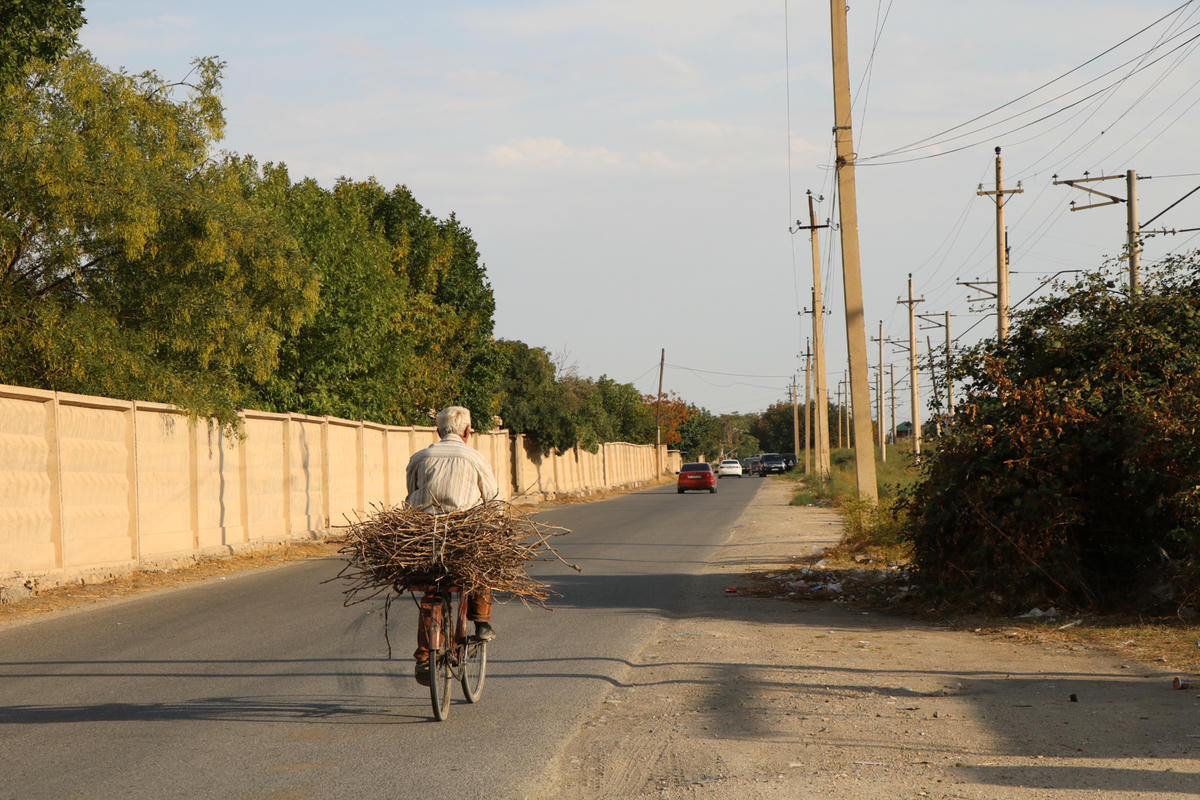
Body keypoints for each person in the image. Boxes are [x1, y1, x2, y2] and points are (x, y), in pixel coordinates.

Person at [406, 405, 499, 685]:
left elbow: (411, 494)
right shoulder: (475, 458)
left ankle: (424, 658)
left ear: (438, 430)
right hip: (463, 537)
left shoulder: (419, 458)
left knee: (431, 594)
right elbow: (493, 502)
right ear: (467, 431)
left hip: (425, 539)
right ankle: (481, 622)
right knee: (482, 561)